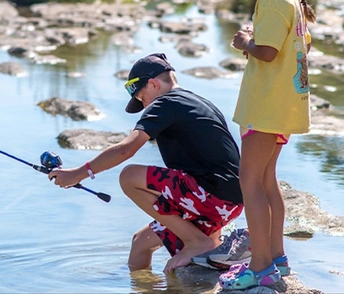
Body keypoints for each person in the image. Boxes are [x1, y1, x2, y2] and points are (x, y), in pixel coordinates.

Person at [48, 53, 244, 274]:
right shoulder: (197, 101)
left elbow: (126, 149)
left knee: (129, 176)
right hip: (229, 201)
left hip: (209, 193)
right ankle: (196, 252)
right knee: (141, 242)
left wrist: (77, 174)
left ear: (153, 84)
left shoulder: (165, 103)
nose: (143, 105)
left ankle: (197, 242)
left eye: (142, 98)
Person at [214, 0, 315, 290]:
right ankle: (277, 259)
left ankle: (259, 268)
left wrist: (246, 41)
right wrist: (255, 41)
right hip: (284, 105)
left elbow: (268, 52)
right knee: (267, 180)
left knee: (250, 182)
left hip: (267, 107)